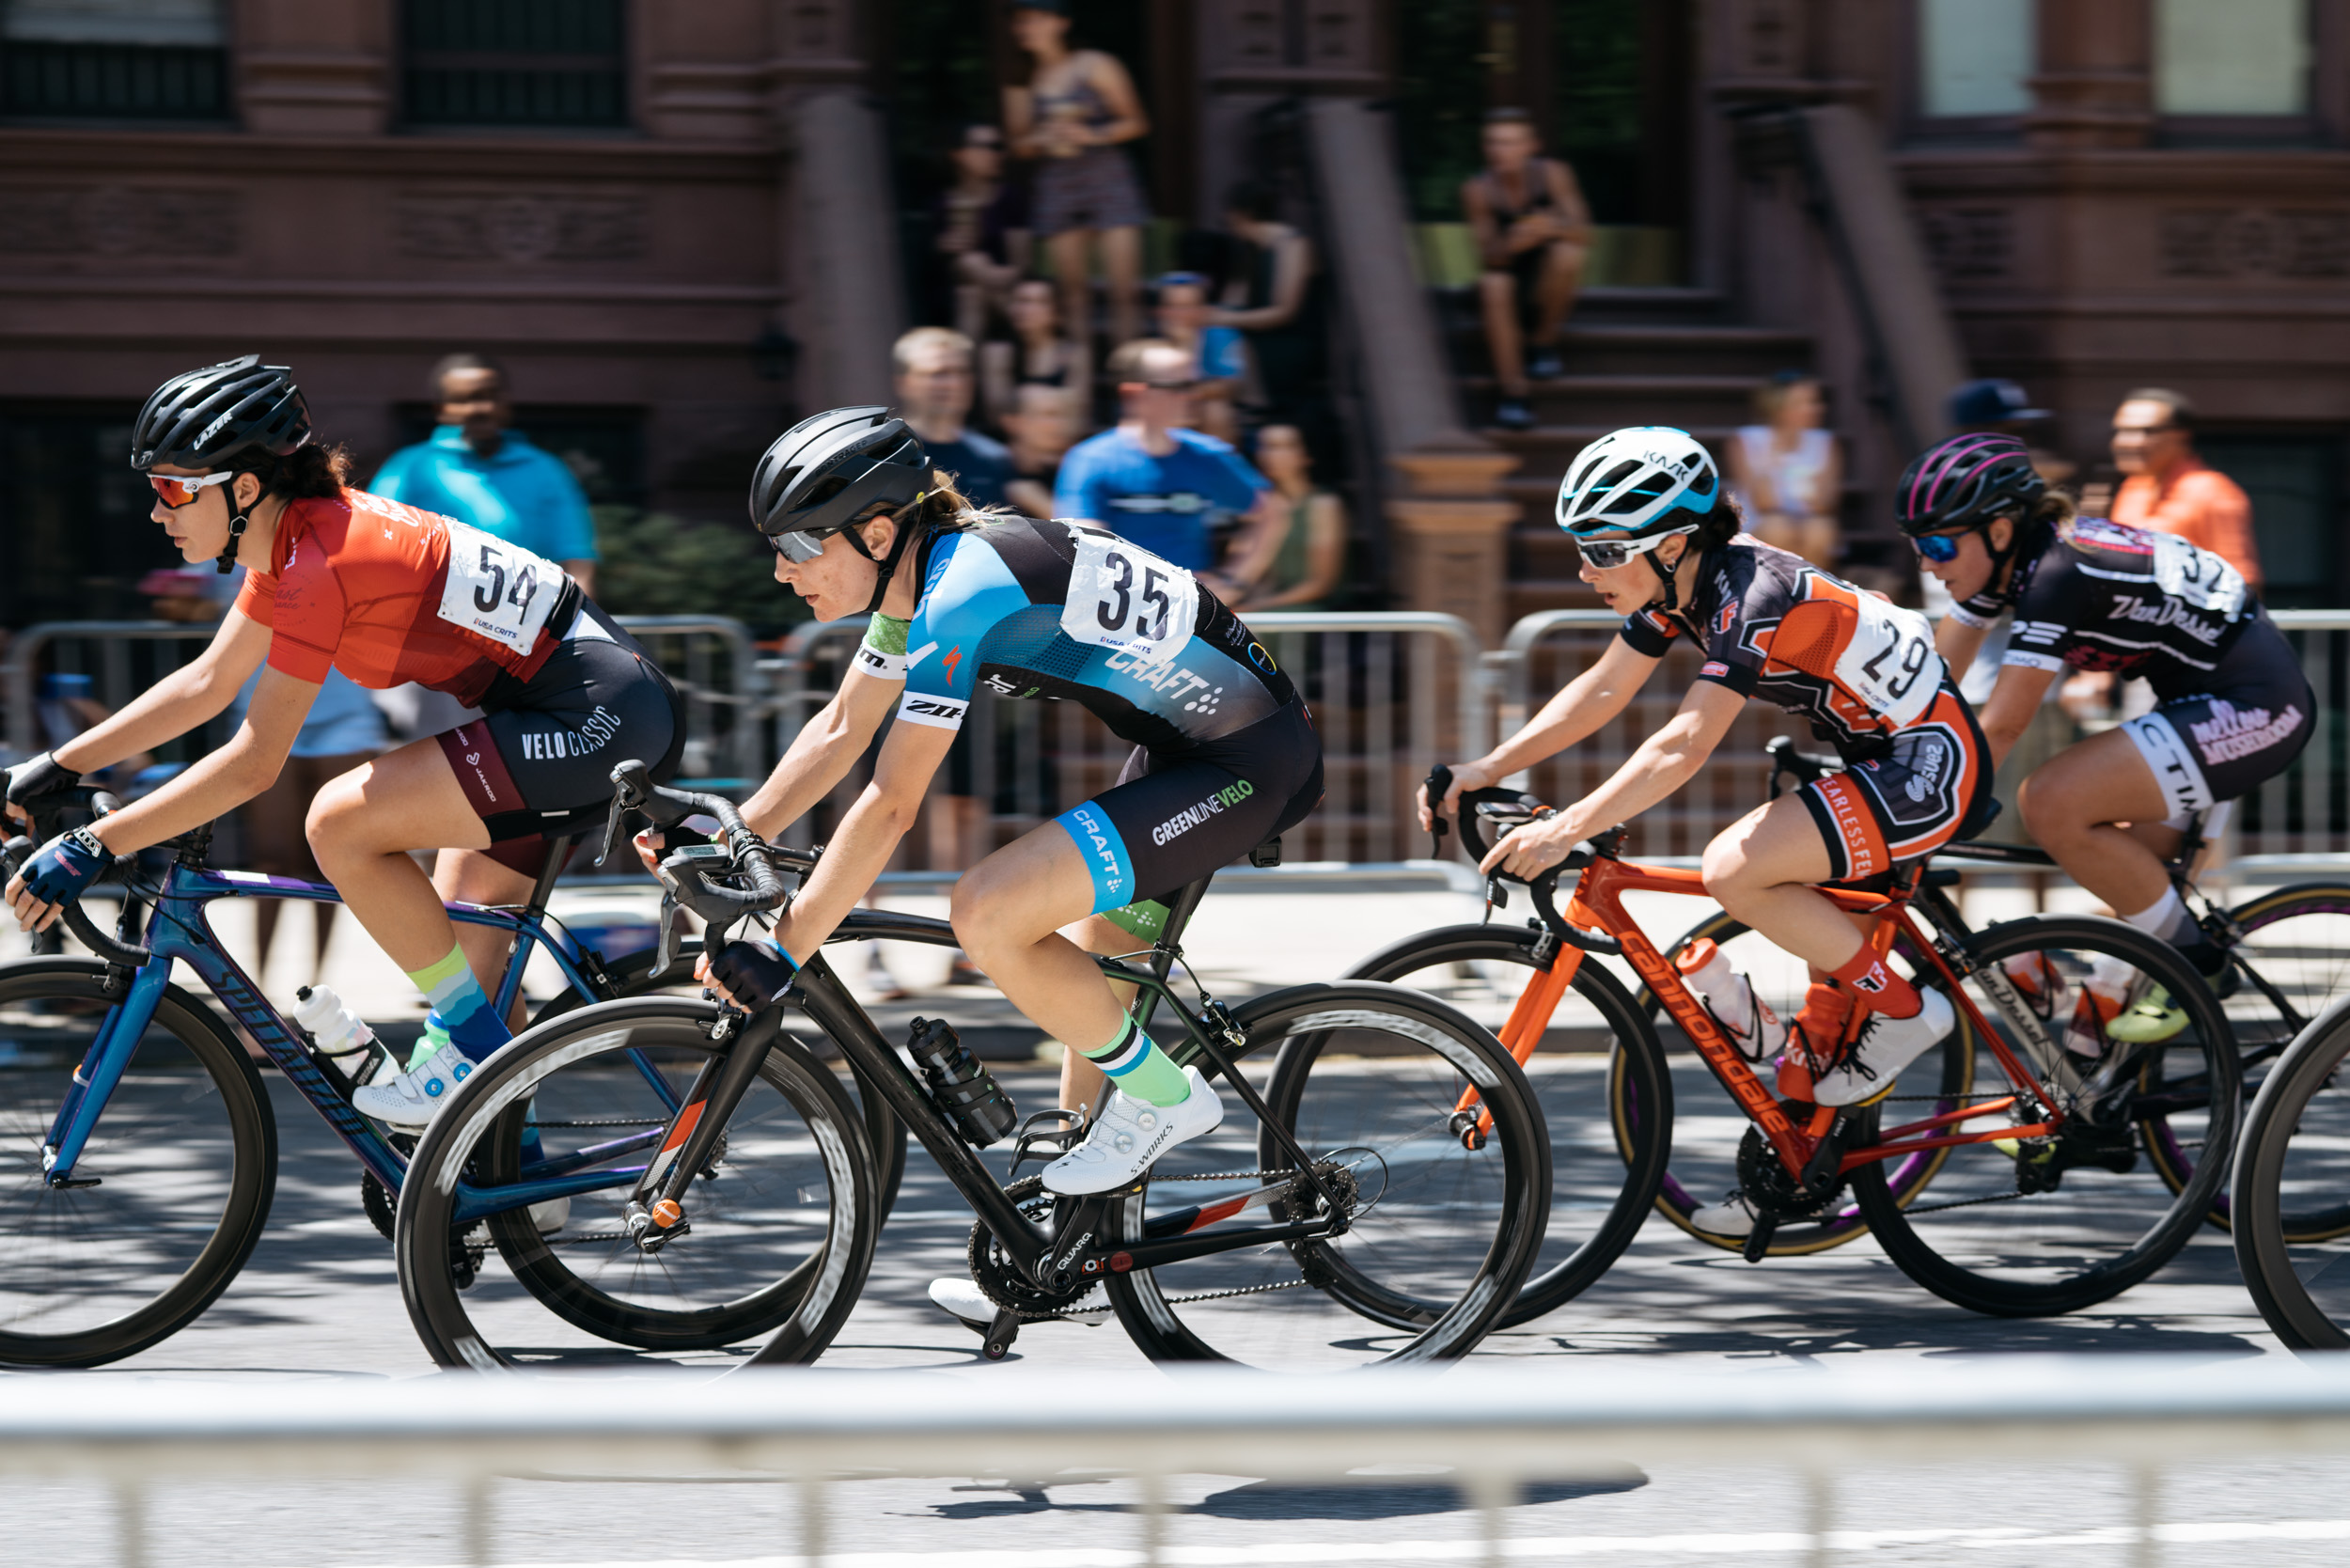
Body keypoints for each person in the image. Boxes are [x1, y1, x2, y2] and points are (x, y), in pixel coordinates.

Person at [658, 406, 1322, 1329]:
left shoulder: (960, 597)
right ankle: (1051, 1256)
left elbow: (890, 804)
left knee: (990, 911)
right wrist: (728, 830)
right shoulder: (922, 583)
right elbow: (844, 727)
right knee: (1087, 994)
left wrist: (786, 948)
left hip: (1243, 764)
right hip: (1185, 755)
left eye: (800, 542)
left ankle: (1171, 1100)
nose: (781, 568)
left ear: (877, 529)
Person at [3, 356, 684, 1137]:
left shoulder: (319, 562)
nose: (158, 512)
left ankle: (477, 1077)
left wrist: (97, 839)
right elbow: (206, 684)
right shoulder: (296, 541)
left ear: (245, 489)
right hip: (570, 710)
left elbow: (256, 760)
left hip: (594, 719)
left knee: (339, 823)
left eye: (174, 487)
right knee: (472, 965)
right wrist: (54, 767)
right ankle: (513, 1173)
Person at [1422, 427, 1989, 1236]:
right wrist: (1485, 769)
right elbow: (1602, 693)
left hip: (1925, 761)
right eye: (1581, 547)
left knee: (1733, 867)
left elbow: (1685, 742)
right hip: (1867, 754)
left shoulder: (1751, 590)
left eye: (1605, 549)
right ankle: (1784, 1182)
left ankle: (1908, 1012)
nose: (1586, 570)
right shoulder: (1676, 587)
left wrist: (1571, 827)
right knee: (1820, 1036)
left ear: (1674, 544)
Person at [1906, 432, 2311, 1031]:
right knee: (2121, 945)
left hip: (2250, 705)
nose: (1926, 563)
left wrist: (1915, 803)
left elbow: (2003, 725)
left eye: (1939, 544)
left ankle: (2202, 966)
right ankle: (2096, 1097)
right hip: (2193, 698)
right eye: (1916, 547)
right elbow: (1929, 690)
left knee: (2050, 800)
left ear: (1997, 532)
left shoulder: (2055, 574)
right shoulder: (2002, 566)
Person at [1053, 339, 1282, 598]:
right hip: (1115, 619)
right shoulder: (1090, 460)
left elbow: (1270, 513)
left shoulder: (1208, 456)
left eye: (1195, 385)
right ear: (1134, 394)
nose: (1194, 396)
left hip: (1191, 620)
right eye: (1180, 387)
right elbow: (1085, 546)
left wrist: (1233, 581)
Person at [371, 353, 601, 598]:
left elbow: (577, 559)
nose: (481, 409)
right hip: (429, 619)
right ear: (441, 409)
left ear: (506, 402)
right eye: (464, 400)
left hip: (525, 623)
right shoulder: (409, 467)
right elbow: (375, 542)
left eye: (491, 396)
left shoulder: (545, 468)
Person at [1004, 0, 1152, 352]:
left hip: (1108, 178)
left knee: (1125, 292)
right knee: (1072, 296)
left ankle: (1128, 386)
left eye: (1034, 19)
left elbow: (1137, 122)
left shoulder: (1095, 64)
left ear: (1061, 22)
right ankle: (1079, 388)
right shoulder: (1020, 79)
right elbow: (1019, 146)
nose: (1025, 28)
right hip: (1058, 184)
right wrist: (1041, 138)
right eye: (1020, 21)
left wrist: (1092, 135)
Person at [1461, 108, 1591, 431]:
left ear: (1531, 145)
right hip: (1508, 280)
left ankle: (1542, 344)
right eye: (1493, 143)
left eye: (1509, 142)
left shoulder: (1554, 174)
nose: (1499, 151)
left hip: (1547, 280)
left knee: (1568, 255)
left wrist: (1551, 228)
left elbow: (1585, 233)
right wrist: (1510, 244)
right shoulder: (1478, 190)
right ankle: (1514, 393)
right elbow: (1488, 256)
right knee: (1493, 284)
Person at [2109, 388, 2262, 589]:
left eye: (2145, 431)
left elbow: (2241, 579)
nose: (2125, 442)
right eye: (2120, 431)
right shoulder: (2133, 487)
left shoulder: (2212, 490)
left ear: (2182, 436)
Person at [1211, 180, 1329, 437]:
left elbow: (1285, 311)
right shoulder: (1250, 251)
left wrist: (1225, 317)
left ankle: (1254, 408)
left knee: (1238, 347)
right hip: (1260, 336)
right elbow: (1232, 302)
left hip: (1292, 340)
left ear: (1239, 214)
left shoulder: (1293, 244)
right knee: (1222, 342)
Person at [929, 122, 1031, 344]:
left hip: (1009, 295)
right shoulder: (943, 205)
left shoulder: (1010, 199)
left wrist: (989, 273)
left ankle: (963, 369)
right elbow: (935, 273)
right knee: (970, 291)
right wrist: (942, 247)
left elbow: (1020, 265)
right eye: (989, 146)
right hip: (961, 301)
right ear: (959, 155)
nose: (997, 154)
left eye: (999, 147)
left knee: (972, 270)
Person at [1728, 372, 1841, 570]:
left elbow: (1825, 504)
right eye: (1804, 402)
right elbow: (1763, 501)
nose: (1816, 409)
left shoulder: (1825, 442)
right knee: (1777, 527)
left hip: (1807, 522)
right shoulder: (1747, 441)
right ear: (1778, 407)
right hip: (1761, 521)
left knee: (1820, 530)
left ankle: (1811, 595)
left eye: (1816, 402)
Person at [894, 327, 1013, 511]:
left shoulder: (994, 458)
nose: (953, 383)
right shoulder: (890, 454)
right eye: (939, 373)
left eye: (962, 372)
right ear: (904, 383)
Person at [1242, 424, 1346, 612]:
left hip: (1310, 611)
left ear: (1307, 455)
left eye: (1283, 446)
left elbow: (1321, 584)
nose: (1270, 455)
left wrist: (1256, 606)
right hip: (1270, 605)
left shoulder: (1323, 505)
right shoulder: (1264, 505)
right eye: (1265, 446)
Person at [979, 276, 1086, 431]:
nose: (1026, 309)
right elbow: (996, 414)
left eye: (1039, 302)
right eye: (1021, 301)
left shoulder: (1074, 355)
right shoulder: (996, 353)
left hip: (1058, 438)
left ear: (1057, 313)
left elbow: (1078, 414)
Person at [1152, 271, 1246, 445]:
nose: (1181, 314)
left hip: (1201, 406)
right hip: (1164, 408)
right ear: (1161, 311)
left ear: (1205, 310)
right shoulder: (1151, 339)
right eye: (1174, 306)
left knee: (1217, 412)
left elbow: (1229, 387)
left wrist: (1187, 347)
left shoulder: (1221, 335)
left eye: (1189, 306)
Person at [1002, 382, 1083, 520]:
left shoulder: (1079, 471)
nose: (1063, 423)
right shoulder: (991, 471)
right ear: (1012, 422)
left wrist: (1042, 505)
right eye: (1050, 414)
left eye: (1067, 414)